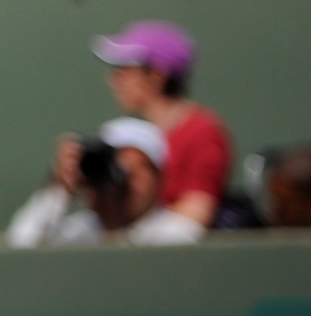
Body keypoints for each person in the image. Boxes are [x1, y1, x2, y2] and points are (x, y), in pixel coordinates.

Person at [90, 20, 230, 227]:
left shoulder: (202, 133)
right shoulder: (142, 134)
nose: (115, 80)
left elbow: (195, 215)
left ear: (157, 75)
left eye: (124, 69)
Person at [4, 118, 205, 246]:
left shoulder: (177, 237)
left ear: (159, 178)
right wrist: (60, 189)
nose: (125, 180)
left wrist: (116, 228)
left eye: (137, 170)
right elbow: (21, 247)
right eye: (116, 168)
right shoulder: (78, 233)